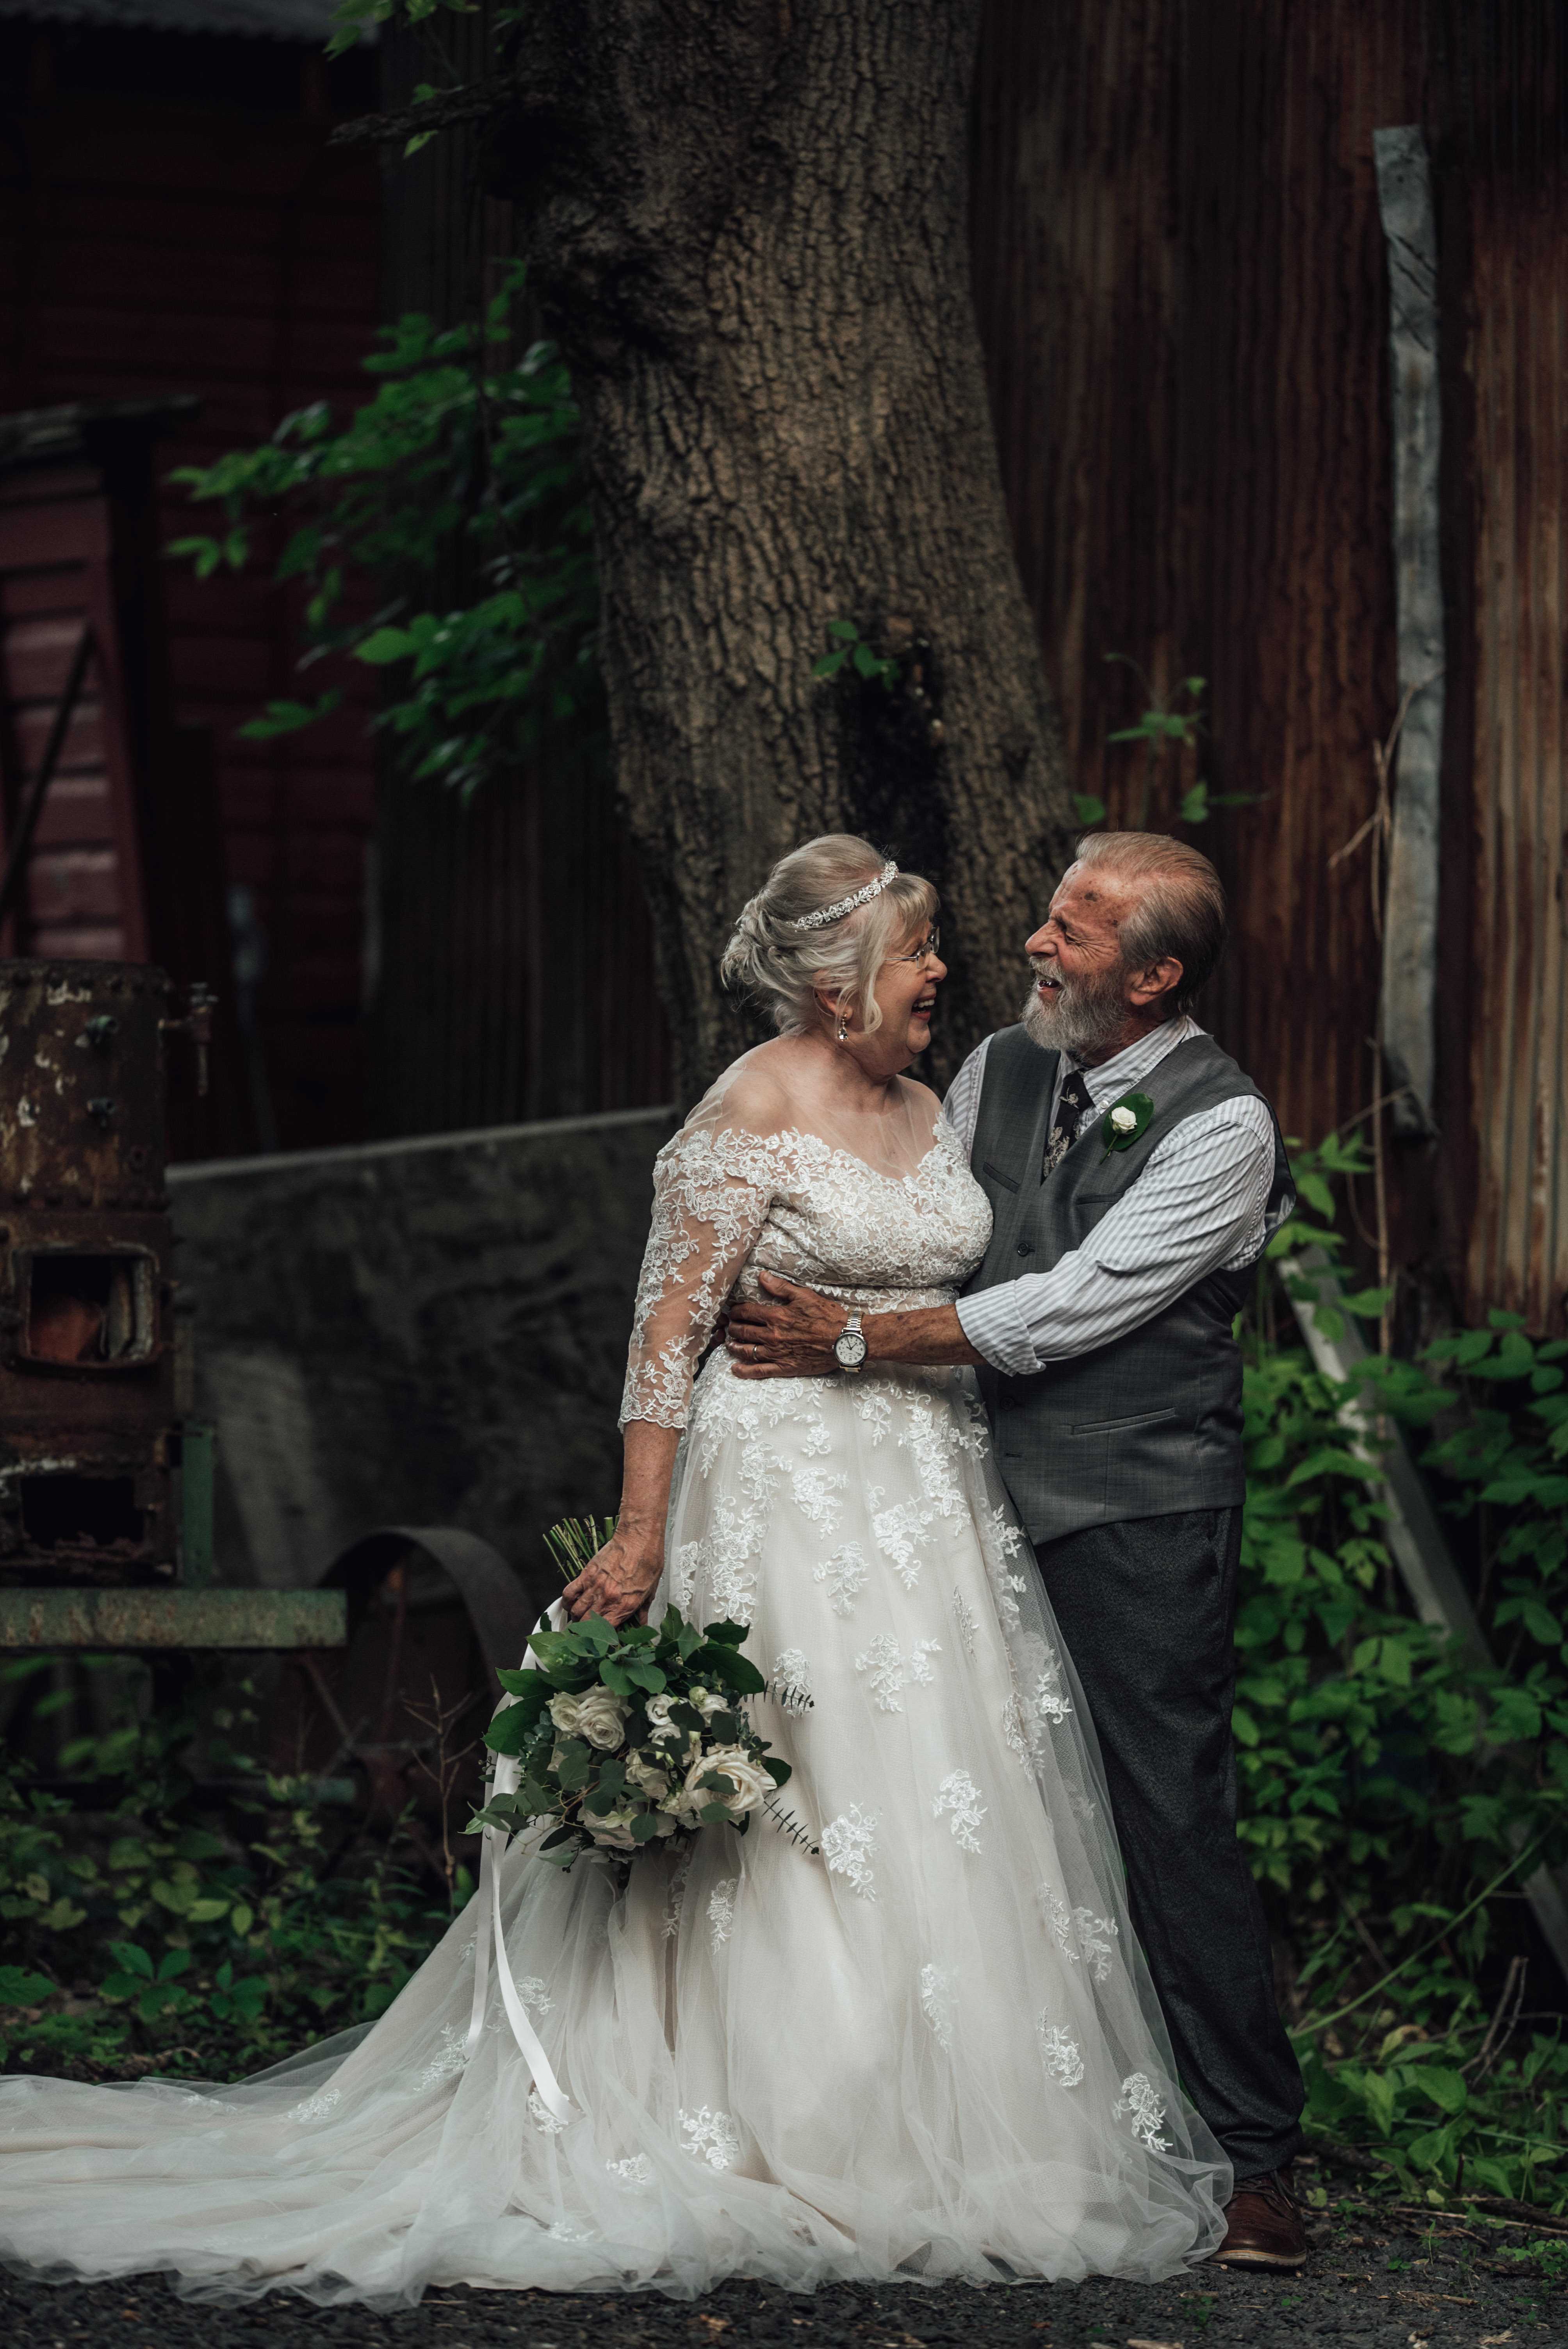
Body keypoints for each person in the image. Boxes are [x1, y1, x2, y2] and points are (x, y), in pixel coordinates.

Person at [0, 834, 1229, 2306]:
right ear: (841, 988)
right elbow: (663, 1350)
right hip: (781, 1491)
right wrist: (644, 1535)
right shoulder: (744, 1118)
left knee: (935, 1793)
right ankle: (778, 2117)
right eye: (917, 956)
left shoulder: (937, 1098)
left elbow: (991, 1287)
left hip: (933, 1500)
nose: (948, 971)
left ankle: (955, 2128)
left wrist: (867, 1340)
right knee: (793, 1795)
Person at [726, 829, 1310, 2272]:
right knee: (980, 1804)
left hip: (1133, 1506)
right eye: (1051, 916)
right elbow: (952, 1232)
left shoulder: (1224, 1128)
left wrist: (850, 1339)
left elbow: (1062, 1305)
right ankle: (1032, 2121)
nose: (1041, 946)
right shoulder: (998, 1064)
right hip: (953, 1497)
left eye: (1080, 930)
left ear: (1156, 976)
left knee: (1161, 1807)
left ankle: (1253, 2154)